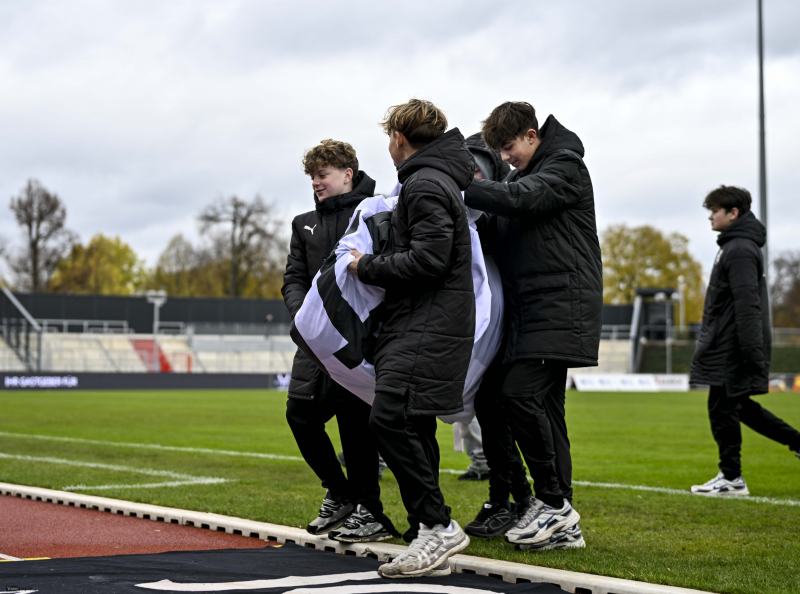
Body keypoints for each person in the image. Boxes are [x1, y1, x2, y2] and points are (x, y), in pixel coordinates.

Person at [463, 101, 603, 551]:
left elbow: (522, 200)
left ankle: (554, 504)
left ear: (530, 134)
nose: (505, 158)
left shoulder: (564, 166)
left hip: (559, 306)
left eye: (508, 147)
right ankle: (562, 519)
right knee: (546, 409)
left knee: (517, 394)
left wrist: (462, 188)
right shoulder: (526, 175)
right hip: (533, 311)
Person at [347, 99, 474, 578]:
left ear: (399, 138)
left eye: (389, 139)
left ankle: (439, 525)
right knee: (412, 424)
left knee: (388, 420)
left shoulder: (423, 182)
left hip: (427, 323)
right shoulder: (435, 180)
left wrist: (367, 266)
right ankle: (427, 532)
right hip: (427, 320)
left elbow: (429, 260)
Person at [282, 139, 399, 543]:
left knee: (356, 427)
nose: (316, 182)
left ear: (348, 174)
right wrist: (304, 317)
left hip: (361, 341)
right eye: (312, 175)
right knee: (299, 415)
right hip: (314, 343)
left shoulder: (378, 211)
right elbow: (294, 277)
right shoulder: (303, 224)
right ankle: (340, 493)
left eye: (323, 174)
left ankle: (369, 511)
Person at [690, 185, 800, 496]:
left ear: (733, 213)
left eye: (715, 210)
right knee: (738, 406)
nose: (710, 216)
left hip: (733, 346)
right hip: (731, 343)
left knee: (723, 407)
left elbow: (747, 304)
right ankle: (794, 444)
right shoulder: (734, 246)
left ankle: (732, 477)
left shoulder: (738, 249)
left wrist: (751, 351)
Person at [461, 132, 534, 538]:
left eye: (475, 166)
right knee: (491, 413)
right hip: (491, 323)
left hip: (508, 324)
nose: (468, 175)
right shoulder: (477, 208)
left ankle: (513, 499)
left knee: (499, 413)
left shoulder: (501, 204)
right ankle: (511, 499)